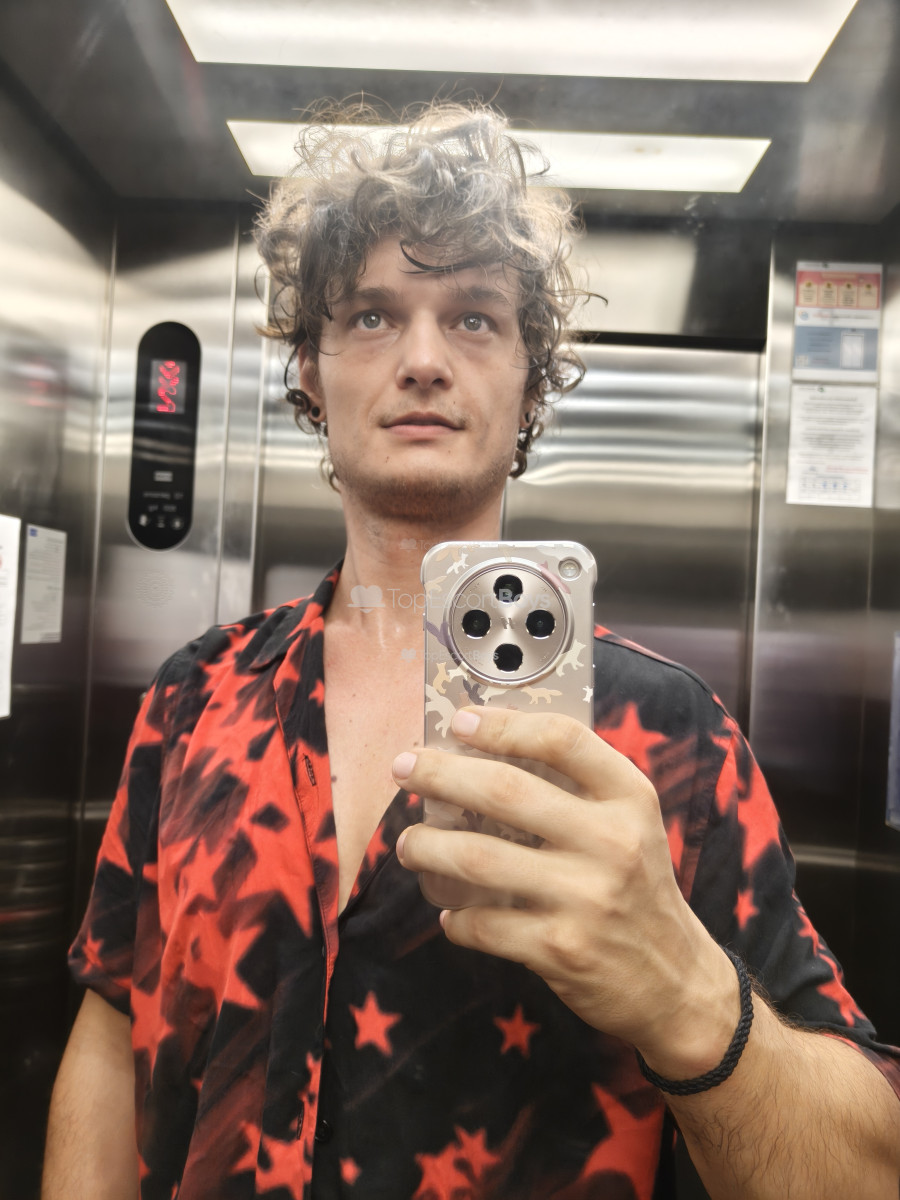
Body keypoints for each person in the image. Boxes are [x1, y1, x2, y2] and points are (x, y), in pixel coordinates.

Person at [44, 102, 900, 1200]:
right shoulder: (193, 699)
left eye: (475, 319)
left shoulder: (671, 740)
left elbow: (863, 1173)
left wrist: (685, 992)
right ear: (308, 368)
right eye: (369, 316)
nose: (422, 360)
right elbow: (114, 1025)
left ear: (529, 380)